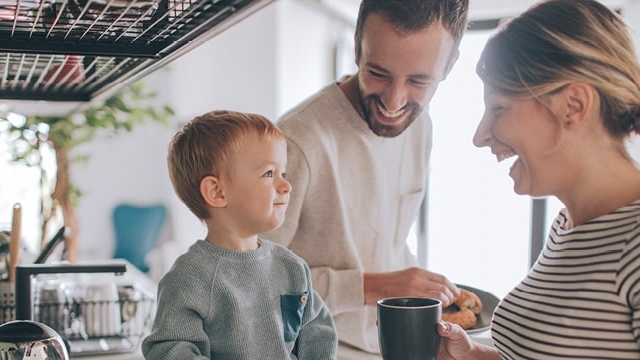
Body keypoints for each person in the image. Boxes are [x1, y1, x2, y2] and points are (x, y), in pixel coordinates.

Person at [436, 0, 640, 358]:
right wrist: (470, 354)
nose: (481, 135)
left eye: (499, 108)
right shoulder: (569, 227)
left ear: (573, 106)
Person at [262, 0, 470, 358]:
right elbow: (254, 282)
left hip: (390, 345)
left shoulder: (421, 126)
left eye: (419, 81)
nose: (394, 100)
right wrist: (375, 286)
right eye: (379, 73)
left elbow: (385, 239)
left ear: (450, 66)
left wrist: (413, 286)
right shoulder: (297, 140)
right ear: (357, 48)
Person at [142, 110, 338, 359]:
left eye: (284, 173)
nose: (286, 185)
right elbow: (170, 351)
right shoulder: (188, 279)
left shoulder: (292, 267)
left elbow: (318, 333)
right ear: (217, 192)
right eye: (269, 174)